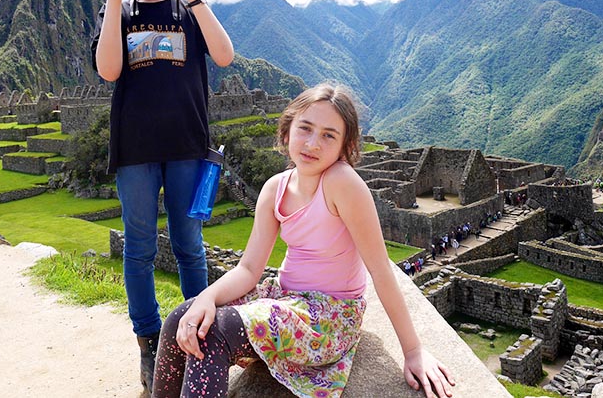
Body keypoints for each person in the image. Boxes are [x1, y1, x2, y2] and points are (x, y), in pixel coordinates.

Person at [153, 84, 455, 398]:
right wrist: (207, 298)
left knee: (212, 333)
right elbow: (249, 269)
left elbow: (380, 270)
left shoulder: (342, 184)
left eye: (328, 135)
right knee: (181, 321)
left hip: (327, 317)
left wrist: (414, 350)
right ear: (287, 132)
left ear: (344, 146)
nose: (313, 143)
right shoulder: (275, 188)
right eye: (305, 129)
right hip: (286, 301)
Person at [92, 0, 234, 396]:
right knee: (140, 248)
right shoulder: (118, 14)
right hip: (135, 150)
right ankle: (149, 340)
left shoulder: (188, 9)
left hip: (187, 146)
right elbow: (109, 70)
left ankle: (198, 332)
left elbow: (225, 55)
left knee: (189, 244)